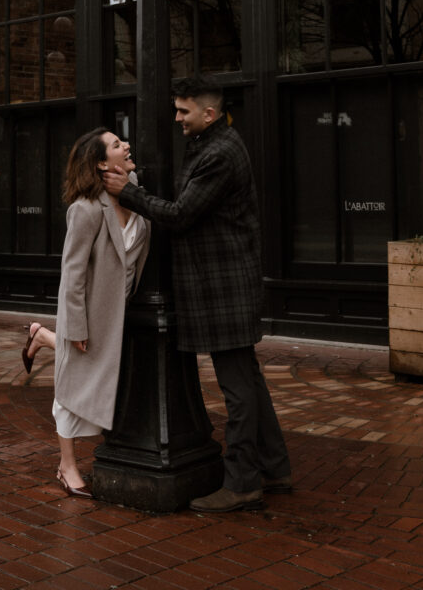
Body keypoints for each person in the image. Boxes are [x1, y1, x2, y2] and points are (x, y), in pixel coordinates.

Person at [103, 76, 291, 513]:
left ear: (208, 113)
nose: (176, 118)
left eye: (183, 111)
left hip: (222, 284)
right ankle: (276, 466)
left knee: (238, 387)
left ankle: (243, 481)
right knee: (248, 380)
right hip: (224, 281)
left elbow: (182, 214)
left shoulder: (220, 153)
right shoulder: (214, 142)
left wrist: (128, 193)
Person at [21, 128, 149, 498]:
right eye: (116, 145)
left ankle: (40, 336)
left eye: (123, 141)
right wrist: (75, 325)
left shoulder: (137, 193)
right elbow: (72, 274)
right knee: (73, 385)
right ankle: (67, 465)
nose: (126, 145)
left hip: (122, 314)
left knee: (91, 378)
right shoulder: (86, 209)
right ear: (99, 162)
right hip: (92, 315)